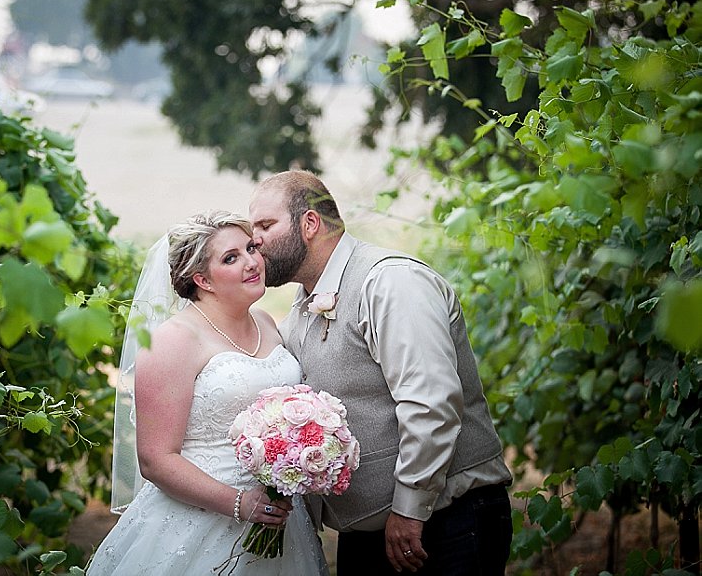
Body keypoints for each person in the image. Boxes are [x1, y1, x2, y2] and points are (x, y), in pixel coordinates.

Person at [249, 170, 513, 575]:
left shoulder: (390, 282)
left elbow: (431, 404)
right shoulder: (302, 308)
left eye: (266, 225)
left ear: (309, 224)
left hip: (443, 524)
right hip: (370, 538)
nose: (256, 241)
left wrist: (409, 509)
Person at [86, 210, 328, 576]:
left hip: (278, 515)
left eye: (250, 248)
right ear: (202, 279)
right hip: (200, 519)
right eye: (231, 258)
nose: (252, 262)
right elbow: (155, 459)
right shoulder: (173, 339)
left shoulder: (264, 321)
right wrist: (240, 503)